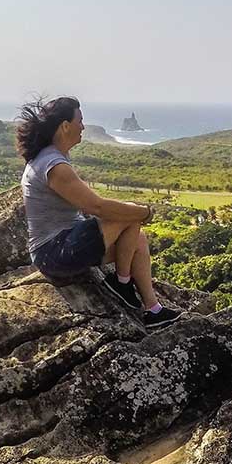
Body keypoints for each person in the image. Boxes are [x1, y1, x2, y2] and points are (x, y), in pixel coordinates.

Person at [17, 96, 180, 329]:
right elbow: (96, 207)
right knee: (130, 215)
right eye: (79, 121)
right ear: (65, 126)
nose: (83, 126)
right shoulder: (54, 165)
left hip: (63, 247)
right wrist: (144, 213)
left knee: (138, 239)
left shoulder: (50, 157)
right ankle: (121, 282)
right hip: (53, 251)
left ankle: (153, 309)